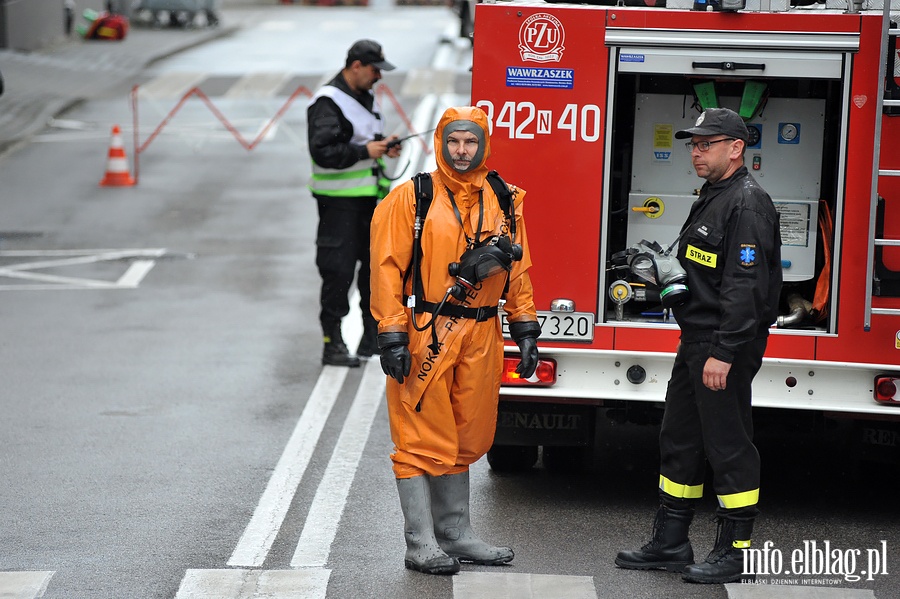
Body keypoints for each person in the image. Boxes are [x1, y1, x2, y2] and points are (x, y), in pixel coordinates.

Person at [370, 106, 540, 575]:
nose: (462, 152)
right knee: (421, 437)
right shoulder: (413, 198)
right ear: (441, 143)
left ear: (484, 144)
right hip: (430, 328)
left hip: (483, 332)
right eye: (454, 142)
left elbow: (518, 273)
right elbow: (386, 268)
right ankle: (420, 543)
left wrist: (525, 327)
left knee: (471, 433)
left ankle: (456, 534)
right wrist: (391, 334)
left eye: (470, 142)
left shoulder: (505, 198)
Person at [615, 107, 783, 584]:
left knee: (727, 444)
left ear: (736, 148)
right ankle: (670, 542)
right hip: (698, 339)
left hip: (723, 343)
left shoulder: (747, 203)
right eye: (693, 144)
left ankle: (736, 552)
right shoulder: (714, 196)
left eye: (706, 143)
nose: (696, 151)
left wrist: (725, 352)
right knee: (680, 438)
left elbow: (746, 288)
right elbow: (706, 266)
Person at [307, 39, 401, 367]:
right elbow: (323, 151)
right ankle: (332, 344)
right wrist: (365, 152)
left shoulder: (365, 97)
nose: (379, 77)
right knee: (339, 273)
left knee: (374, 273)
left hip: (369, 203)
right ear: (356, 66)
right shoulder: (328, 102)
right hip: (339, 206)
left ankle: (369, 340)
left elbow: (360, 139)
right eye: (375, 70)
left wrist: (382, 146)